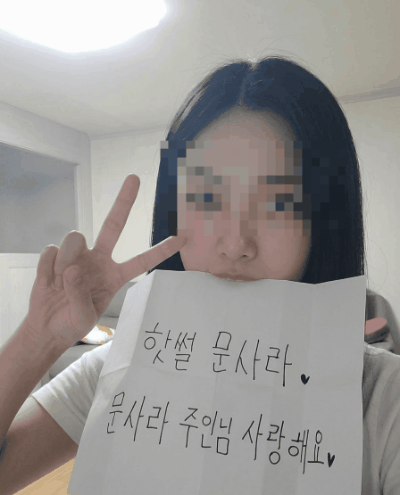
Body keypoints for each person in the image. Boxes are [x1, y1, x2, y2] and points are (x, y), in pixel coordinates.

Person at [0, 56, 399, 495]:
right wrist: (38, 338)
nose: (235, 243)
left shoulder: (384, 399)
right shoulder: (119, 366)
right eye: (207, 197)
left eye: (279, 202)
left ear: (325, 221)